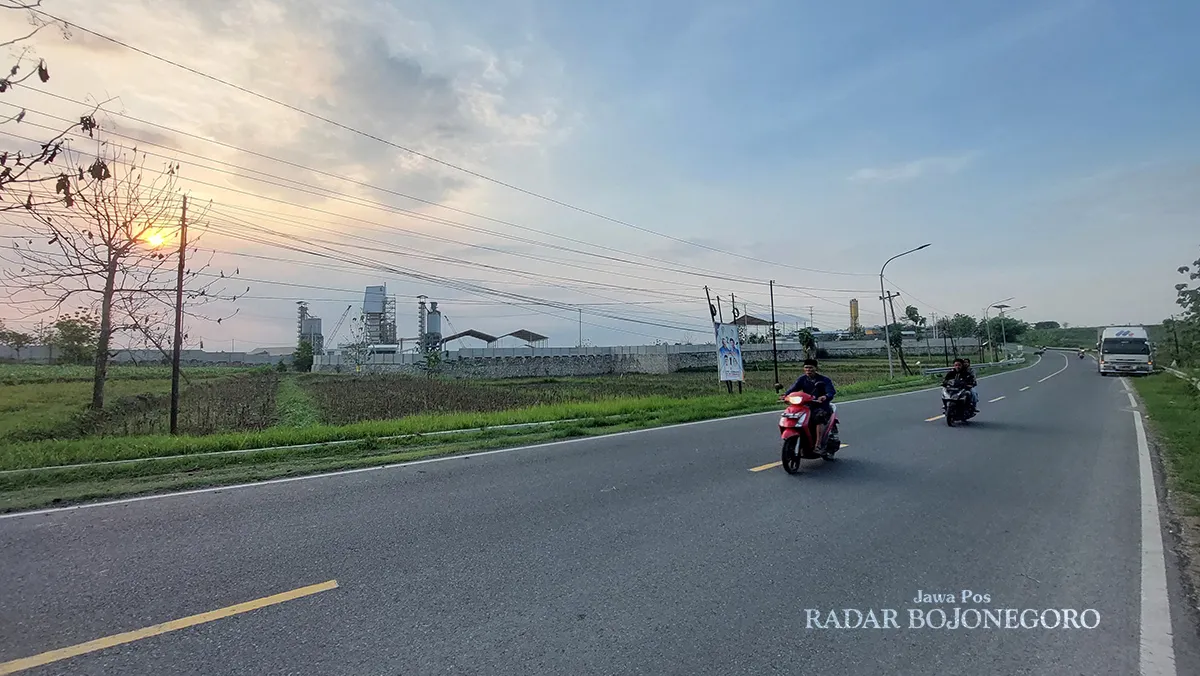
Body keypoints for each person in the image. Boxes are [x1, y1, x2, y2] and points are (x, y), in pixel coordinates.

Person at [783, 358, 837, 450]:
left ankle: (818, 444)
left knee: (819, 417)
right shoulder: (802, 379)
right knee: (793, 415)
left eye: (811, 368)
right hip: (806, 405)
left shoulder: (824, 380)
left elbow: (831, 392)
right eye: (806, 367)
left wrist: (825, 396)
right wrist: (785, 395)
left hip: (820, 405)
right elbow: (793, 388)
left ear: (816, 368)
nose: (808, 370)